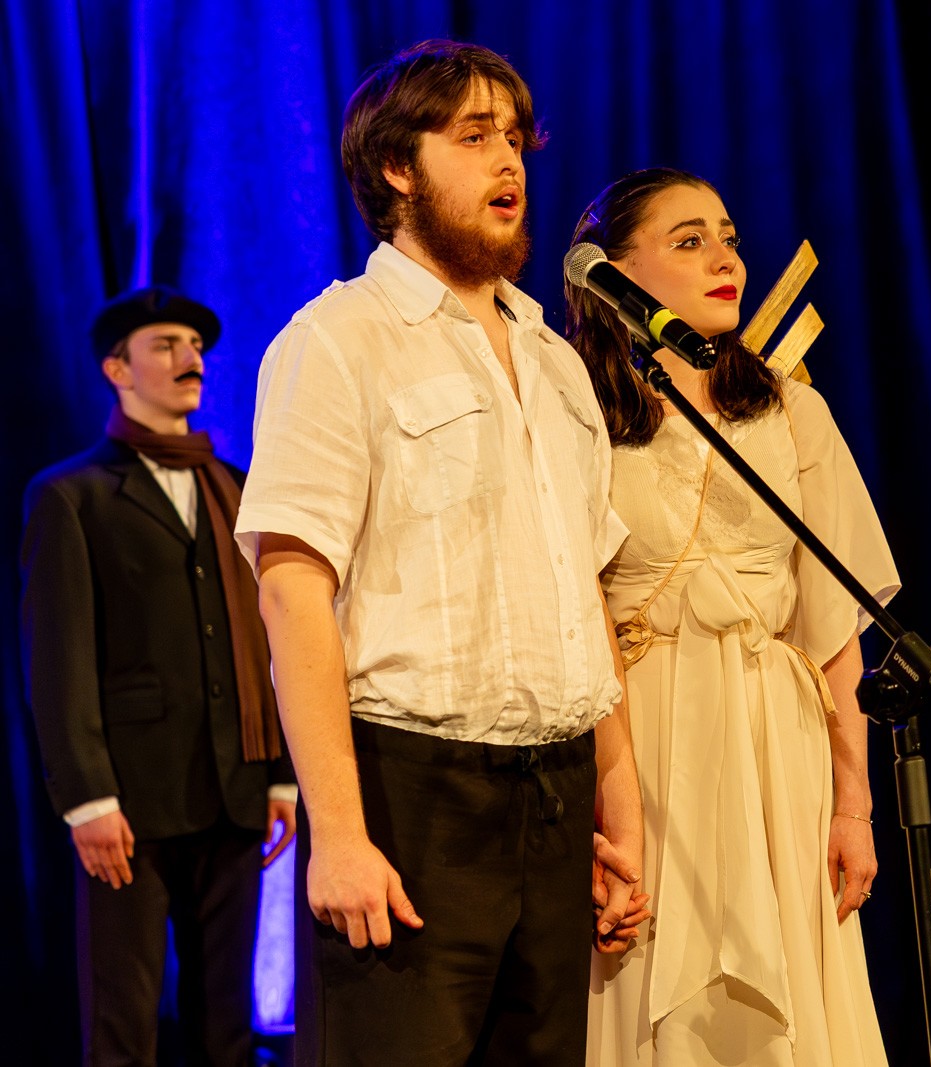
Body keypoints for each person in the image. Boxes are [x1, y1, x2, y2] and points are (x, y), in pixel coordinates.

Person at [234, 40, 646, 1067]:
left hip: (557, 797)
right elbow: (292, 592)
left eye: (514, 137)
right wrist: (339, 833)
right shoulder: (338, 340)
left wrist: (623, 810)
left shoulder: (556, 361)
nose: (508, 159)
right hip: (410, 793)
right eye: (472, 136)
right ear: (397, 168)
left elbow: (587, 597)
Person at [566, 167, 901, 1066]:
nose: (726, 259)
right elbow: (575, 610)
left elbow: (833, 628)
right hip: (645, 733)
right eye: (689, 241)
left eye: (729, 238)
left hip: (778, 739)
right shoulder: (582, 418)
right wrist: (610, 805)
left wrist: (855, 806)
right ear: (618, 275)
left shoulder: (793, 410)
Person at [18, 284, 298, 1066]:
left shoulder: (235, 486)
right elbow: (56, 659)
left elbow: (272, 636)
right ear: (117, 369)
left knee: (226, 1024)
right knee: (124, 1019)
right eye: (166, 345)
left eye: (196, 346)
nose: (190, 359)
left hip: (234, 789)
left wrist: (281, 772)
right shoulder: (70, 495)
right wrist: (88, 798)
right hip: (130, 801)